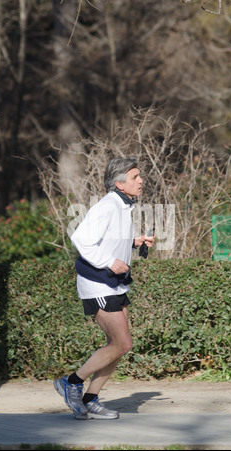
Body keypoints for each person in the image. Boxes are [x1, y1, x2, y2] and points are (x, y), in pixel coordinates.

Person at [54, 157, 155, 419]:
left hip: (113, 284)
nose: (141, 180)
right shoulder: (108, 206)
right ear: (120, 183)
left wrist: (135, 241)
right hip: (98, 284)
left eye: (139, 175)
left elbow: (109, 240)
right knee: (122, 343)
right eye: (135, 177)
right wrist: (110, 262)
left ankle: (90, 399)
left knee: (119, 346)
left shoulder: (122, 206)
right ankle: (72, 383)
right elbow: (81, 239)